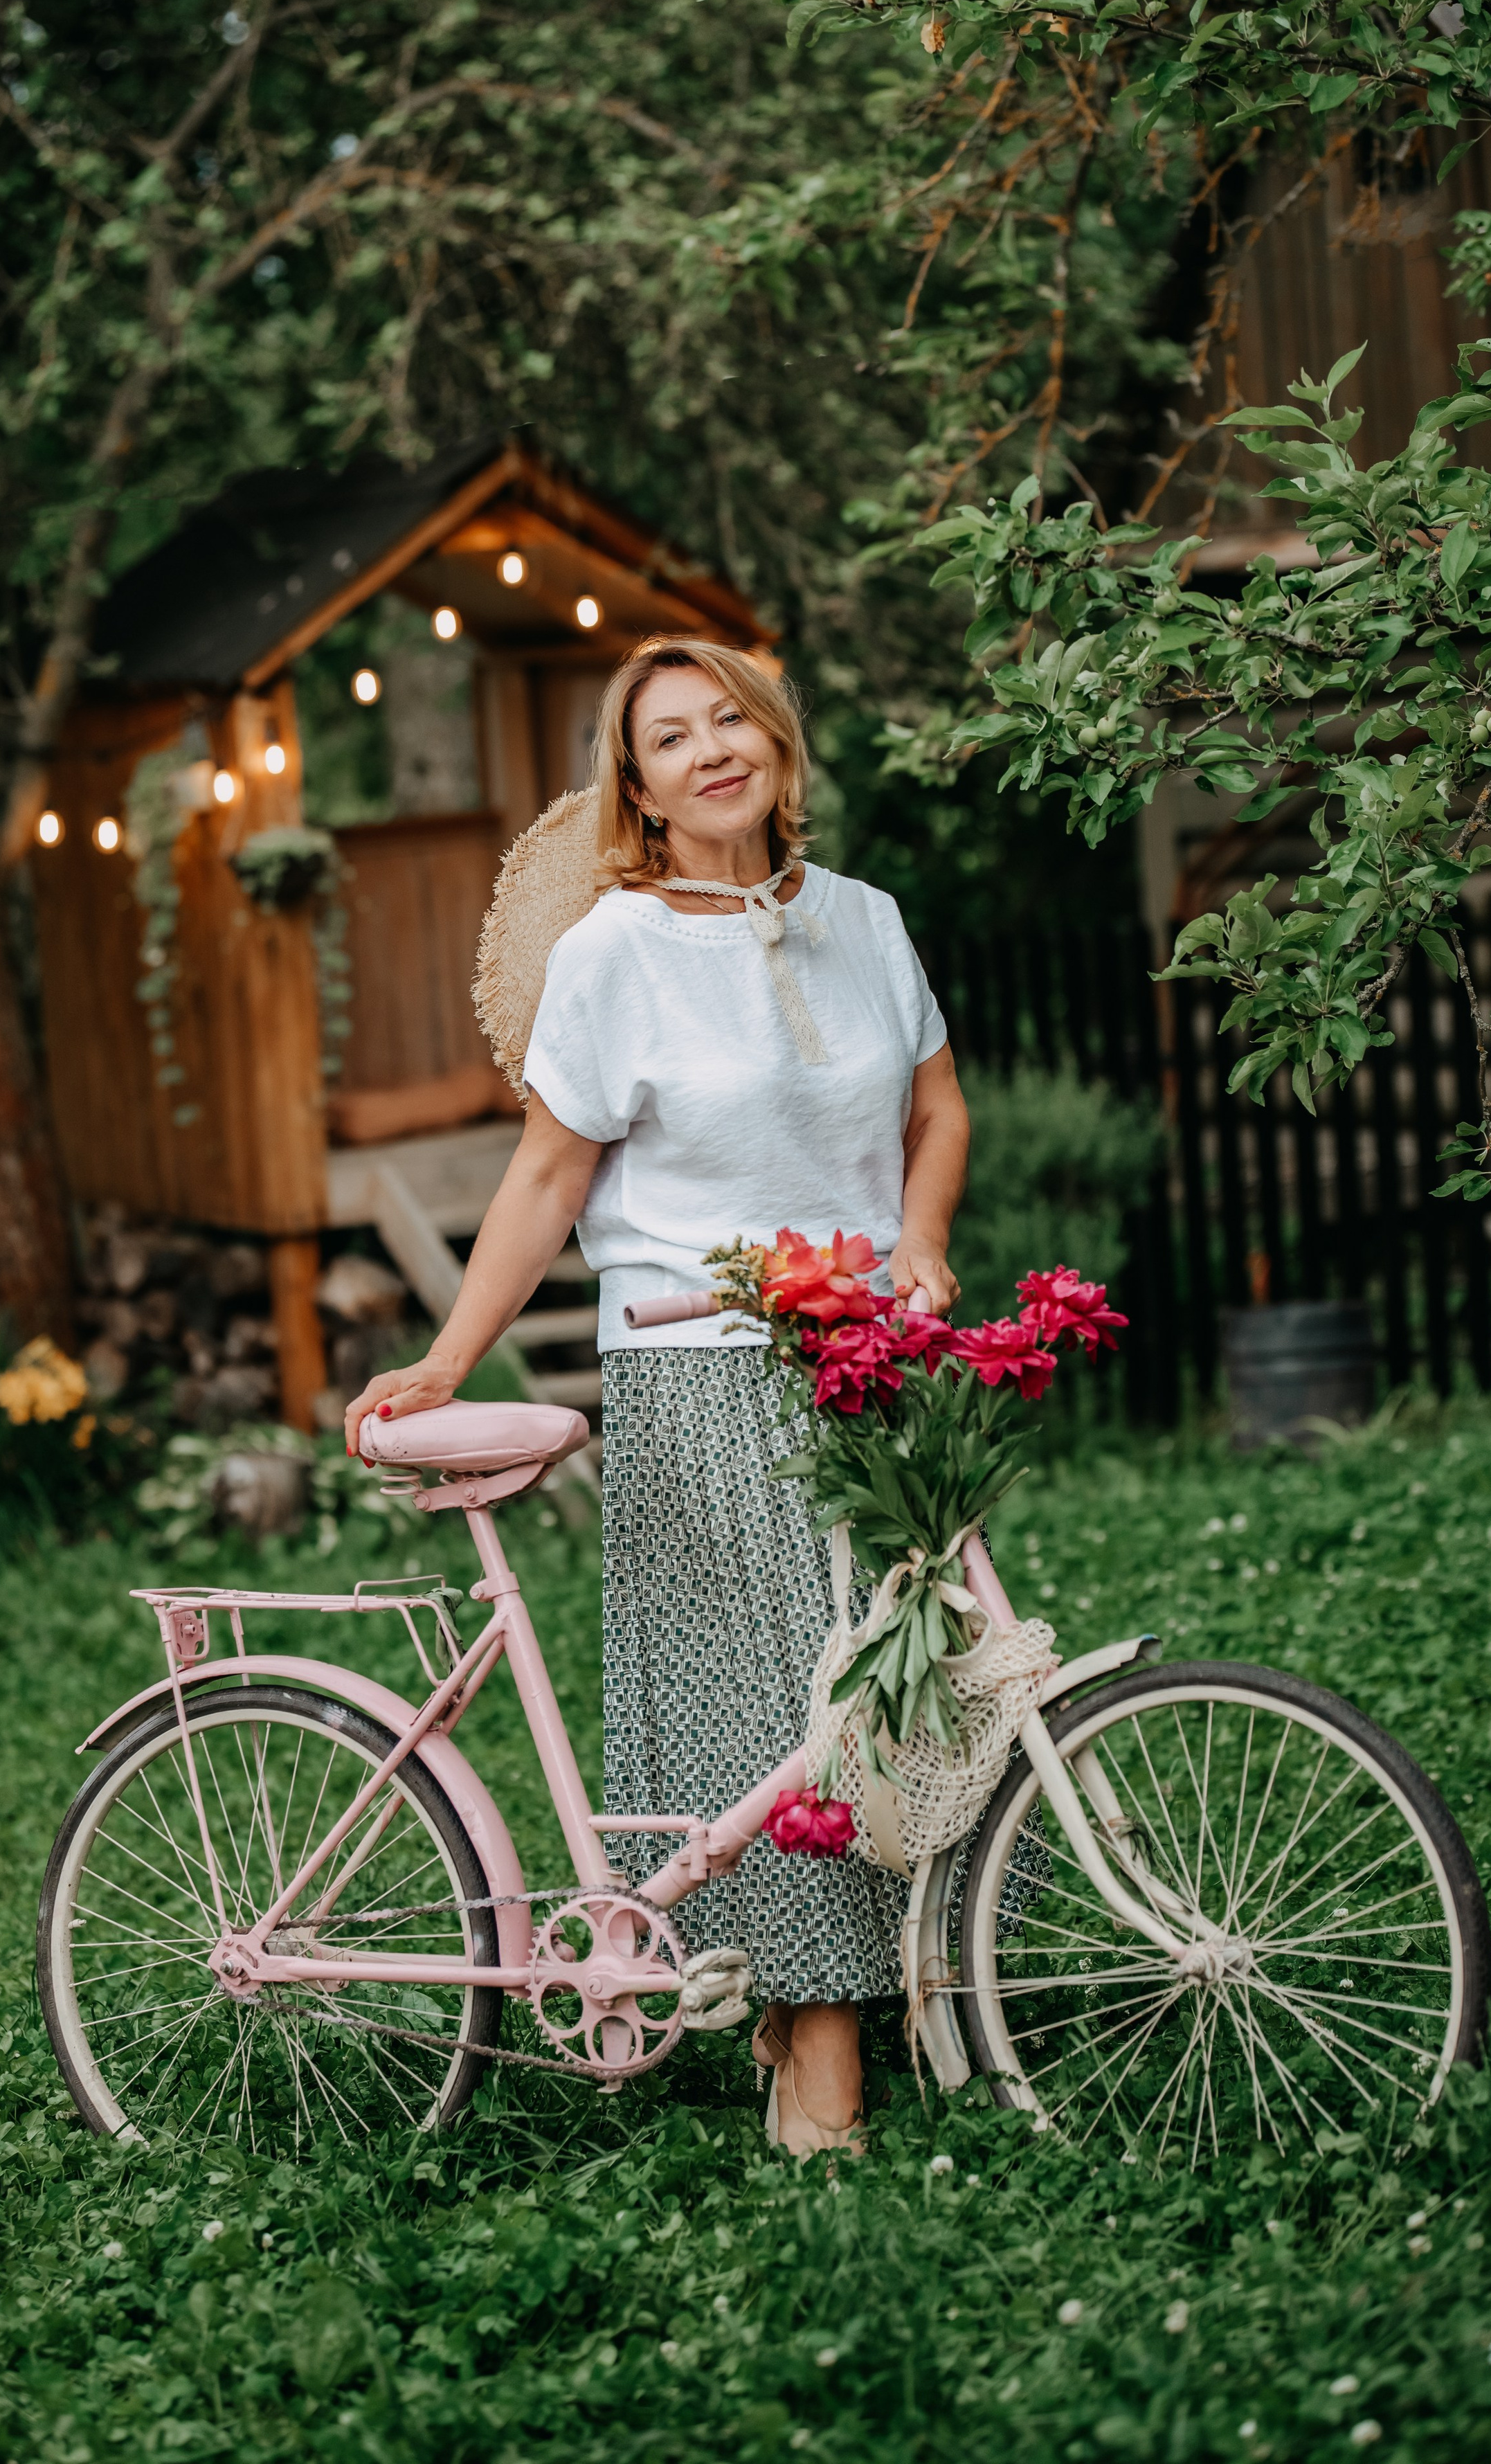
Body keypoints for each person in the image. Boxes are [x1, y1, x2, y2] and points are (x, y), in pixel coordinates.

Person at [345, 637, 969, 2157]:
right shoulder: (612, 953)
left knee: (905, 1693)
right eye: (668, 737)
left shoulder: (865, 921)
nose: (709, 751)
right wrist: (446, 1353)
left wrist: (924, 1245)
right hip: (698, 1370)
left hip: (865, 1360)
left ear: (774, 740)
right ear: (636, 787)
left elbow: (934, 1110)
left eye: (729, 721)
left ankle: (880, 1979)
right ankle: (818, 2053)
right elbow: (549, 1173)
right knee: (790, 1718)